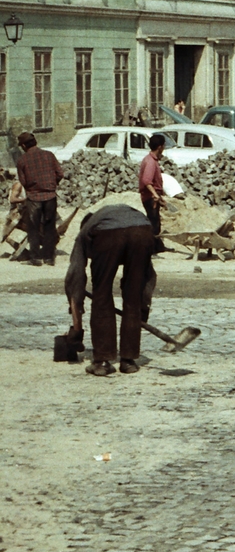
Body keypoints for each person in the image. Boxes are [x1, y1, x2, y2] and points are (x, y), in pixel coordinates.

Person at [63, 200, 157, 376]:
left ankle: (102, 361)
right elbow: (148, 277)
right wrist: (141, 310)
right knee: (133, 296)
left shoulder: (85, 234)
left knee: (101, 295)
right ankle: (128, 361)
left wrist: (76, 332)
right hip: (144, 230)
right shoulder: (124, 216)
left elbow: (75, 280)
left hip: (109, 235)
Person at [14, 131, 64, 267]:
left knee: (34, 227)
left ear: (24, 146)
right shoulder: (49, 155)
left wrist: (33, 187)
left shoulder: (22, 160)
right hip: (50, 196)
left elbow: (23, 181)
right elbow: (60, 173)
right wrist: (52, 184)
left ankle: (35, 258)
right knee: (49, 227)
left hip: (34, 197)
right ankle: (49, 258)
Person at [137, 133, 168, 241]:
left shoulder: (151, 159)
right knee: (153, 222)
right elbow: (146, 180)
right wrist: (155, 194)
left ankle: (158, 246)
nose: (164, 149)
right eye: (163, 146)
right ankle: (151, 247)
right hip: (150, 197)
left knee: (156, 222)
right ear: (160, 147)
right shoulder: (150, 162)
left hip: (153, 196)